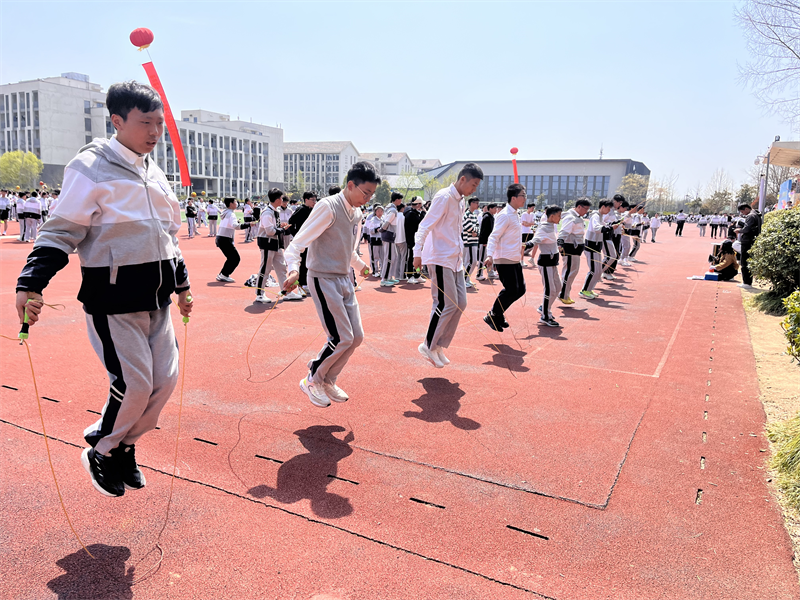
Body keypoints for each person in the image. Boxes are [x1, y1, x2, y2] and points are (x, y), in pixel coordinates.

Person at [15, 80, 193, 498]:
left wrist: (182, 286)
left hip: (157, 301)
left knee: (164, 383)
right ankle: (102, 448)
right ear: (117, 120)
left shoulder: (153, 170)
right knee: (134, 385)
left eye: (160, 123)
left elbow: (168, 235)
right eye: (146, 123)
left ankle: (124, 446)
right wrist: (31, 284)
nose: (155, 132)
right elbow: (60, 231)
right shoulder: (90, 166)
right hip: (114, 302)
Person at [283, 161, 377, 408]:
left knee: (356, 337)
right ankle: (312, 378)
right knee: (340, 336)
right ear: (350, 185)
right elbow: (296, 244)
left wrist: (361, 266)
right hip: (323, 278)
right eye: (365, 193)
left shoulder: (357, 214)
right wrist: (293, 270)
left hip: (344, 278)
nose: (367, 199)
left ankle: (327, 380)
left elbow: (350, 250)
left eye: (372, 195)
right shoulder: (328, 207)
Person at [414, 163, 483, 368]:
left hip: (455, 259)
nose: (474, 190)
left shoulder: (461, 201)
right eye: (473, 184)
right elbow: (424, 226)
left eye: (477, 186)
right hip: (440, 257)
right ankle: (428, 345)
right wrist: (417, 253)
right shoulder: (443, 197)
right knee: (445, 304)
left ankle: (438, 345)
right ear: (462, 179)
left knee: (461, 303)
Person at [483, 185, 527, 331]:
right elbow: (494, 236)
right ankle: (494, 314)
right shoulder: (505, 215)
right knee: (512, 290)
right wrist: (490, 255)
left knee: (520, 290)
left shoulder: (515, 214)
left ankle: (497, 314)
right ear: (513, 198)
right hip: (504, 258)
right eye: (522, 195)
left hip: (514, 258)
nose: (525, 198)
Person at [255, 188, 302, 303]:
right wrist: (282, 229)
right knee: (265, 268)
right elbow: (270, 231)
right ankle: (259, 294)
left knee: (281, 268)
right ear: (277, 200)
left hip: (275, 243)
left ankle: (287, 292)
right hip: (267, 243)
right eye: (281, 198)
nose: (283, 200)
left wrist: (280, 226)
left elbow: (273, 228)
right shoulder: (267, 212)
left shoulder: (275, 211)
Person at [529, 206, 563, 327]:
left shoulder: (551, 226)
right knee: (550, 289)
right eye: (559, 216)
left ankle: (544, 307)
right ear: (552, 216)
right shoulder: (544, 227)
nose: (560, 218)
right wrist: (528, 244)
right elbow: (536, 239)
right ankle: (545, 316)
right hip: (545, 263)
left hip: (553, 262)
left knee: (558, 287)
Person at [215, 197, 257, 282]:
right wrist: (248, 224)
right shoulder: (231, 214)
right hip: (225, 239)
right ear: (231, 204)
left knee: (231, 258)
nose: (236, 203)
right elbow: (235, 226)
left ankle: (223, 274)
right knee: (235, 258)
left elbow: (231, 224)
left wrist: (238, 222)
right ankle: (224, 274)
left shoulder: (226, 212)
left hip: (221, 237)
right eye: (235, 202)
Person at [558, 199, 591, 304]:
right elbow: (563, 232)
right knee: (569, 271)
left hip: (575, 247)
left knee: (572, 271)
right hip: (570, 247)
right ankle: (563, 294)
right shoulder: (571, 217)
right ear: (579, 207)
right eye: (585, 209)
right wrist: (560, 243)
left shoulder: (578, 217)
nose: (586, 212)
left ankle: (564, 293)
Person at [580, 200, 613, 299]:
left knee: (598, 271)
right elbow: (597, 228)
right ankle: (584, 291)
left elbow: (604, 226)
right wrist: (610, 228)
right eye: (608, 208)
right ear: (603, 206)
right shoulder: (595, 216)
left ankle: (589, 289)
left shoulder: (600, 217)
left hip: (597, 246)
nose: (609, 211)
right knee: (593, 270)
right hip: (591, 246)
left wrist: (613, 225)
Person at [288, 191, 317, 294]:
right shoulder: (301, 209)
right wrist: (296, 235)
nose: (314, 202)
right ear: (306, 200)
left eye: (315, 200)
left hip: (309, 240)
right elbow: (291, 222)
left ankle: (306, 283)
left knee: (309, 261)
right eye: (312, 200)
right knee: (303, 261)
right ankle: (302, 284)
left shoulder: (312, 210)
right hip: (302, 241)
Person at [380, 192, 403, 286]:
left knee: (394, 257)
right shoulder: (393, 210)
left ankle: (389, 276)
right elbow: (387, 221)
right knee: (389, 258)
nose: (401, 201)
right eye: (400, 199)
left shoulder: (389, 208)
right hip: (388, 235)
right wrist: (382, 229)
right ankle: (384, 279)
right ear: (397, 200)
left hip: (390, 235)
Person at [736, 203, 761, 288]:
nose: (743, 213)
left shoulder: (750, 216)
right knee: (749, 261)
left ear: (746, 209)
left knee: (745, 261)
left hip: (747, 241)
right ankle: (748, 282)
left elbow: (747, 229)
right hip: (753, 240)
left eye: (742, 211)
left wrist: (739, 230)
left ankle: (746, 282)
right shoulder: (757, 215)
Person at [403, 196, 425, 283]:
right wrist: (423, 213)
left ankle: (417, 274)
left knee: (417, 257)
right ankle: (410, 275)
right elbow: (421, 222)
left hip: (416, 239)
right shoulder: (411, 214)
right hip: (412, 239)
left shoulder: (413, 212)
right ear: (418, 204)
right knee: (412, 258)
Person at [476, 203, 497, 281]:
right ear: (490, 208)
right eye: (495, 208)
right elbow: (483, 231)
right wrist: (484, 241)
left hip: (489, 241)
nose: (496, 210)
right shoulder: (486, 217)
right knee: (482, 258)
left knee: (490, 258)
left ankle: (490, 273)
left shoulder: (492, 217)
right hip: (484, 241)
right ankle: (479, 274)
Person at [462, 197, 480, 287]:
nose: (478, 205)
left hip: (474, 241)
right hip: (468, 241)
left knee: (473, 261)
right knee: (470, 261)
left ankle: (467, 279)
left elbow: (477, 227)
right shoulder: (466, 214)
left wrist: (476, 232)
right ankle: (464, 280)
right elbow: (468, 227)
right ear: (471, 203)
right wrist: (475, 230)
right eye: (476, 203)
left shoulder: (474, 215)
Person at [365, 206, 383, 275]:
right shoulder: (373, 219)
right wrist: (377, 229)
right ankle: (375, 271)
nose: (380, 213)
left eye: (381, 211)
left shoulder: (383, 219)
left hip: (381, 239)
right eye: (378, 211)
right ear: (375, 212)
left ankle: (381, 270)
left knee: (382, 256)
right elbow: (370, 230)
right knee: (375, 256)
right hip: (374, 240)